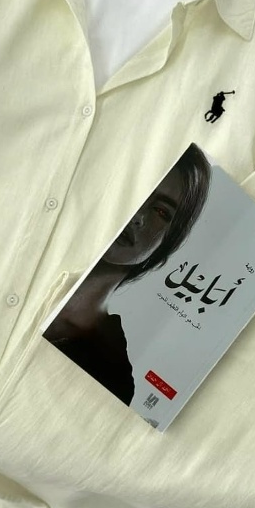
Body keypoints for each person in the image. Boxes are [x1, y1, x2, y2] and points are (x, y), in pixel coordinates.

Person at [43, 143, 212, 404]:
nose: (137, 215)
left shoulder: (112, 373)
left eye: (161, 211)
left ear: (169, 240)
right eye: (139, 187)